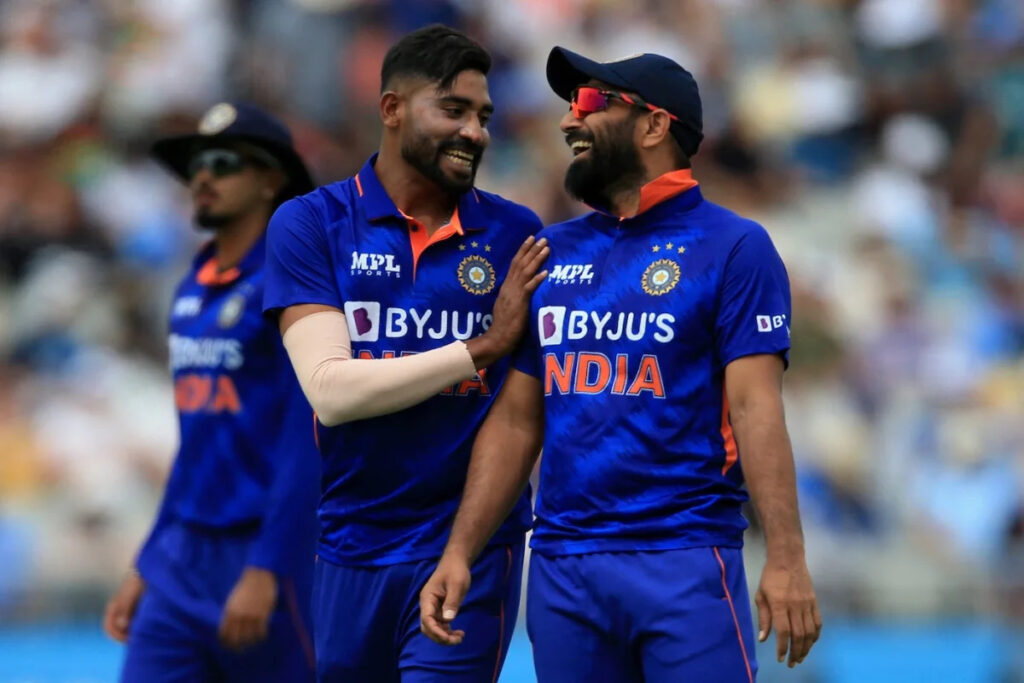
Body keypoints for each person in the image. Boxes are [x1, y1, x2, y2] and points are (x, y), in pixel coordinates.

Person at [420, 47, 823, 682]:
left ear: (654, 125)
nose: (566, 122)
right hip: (562, 569)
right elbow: (519, 422)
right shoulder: (550, 252)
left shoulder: (735, 247)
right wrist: (460, 550)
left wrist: (787, 558)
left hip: (683, 557)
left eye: (588, 103)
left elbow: (755, 409)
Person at [261, 24, 548, 682]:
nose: (474, 131)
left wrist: (465, 546)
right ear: (391, 109)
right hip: (346, 545)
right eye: (453, 110)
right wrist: (481, 347)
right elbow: (332, 393)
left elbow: (518, 414)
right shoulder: (310, 224)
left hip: (464, 551)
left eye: (483, 116)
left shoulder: (514, 235)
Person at [102, 102, 320, 682]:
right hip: (180, 560)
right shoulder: (189, 290)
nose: (203, 175)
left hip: (263, 553)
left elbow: (307, 442)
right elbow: (195, 444)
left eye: (223, 162)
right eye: (197, 163)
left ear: (271, 178)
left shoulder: (292, 287)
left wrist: (268, 567)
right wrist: (147, 562)